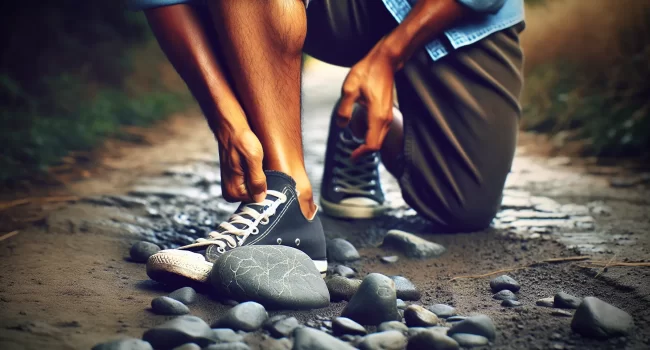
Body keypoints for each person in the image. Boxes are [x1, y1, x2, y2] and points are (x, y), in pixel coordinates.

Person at [129, 0, 525, 285]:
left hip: (451, 12)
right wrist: (225, 118)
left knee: (463, 206)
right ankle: (287, 198)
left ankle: (362, 126)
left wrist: (387, 57)